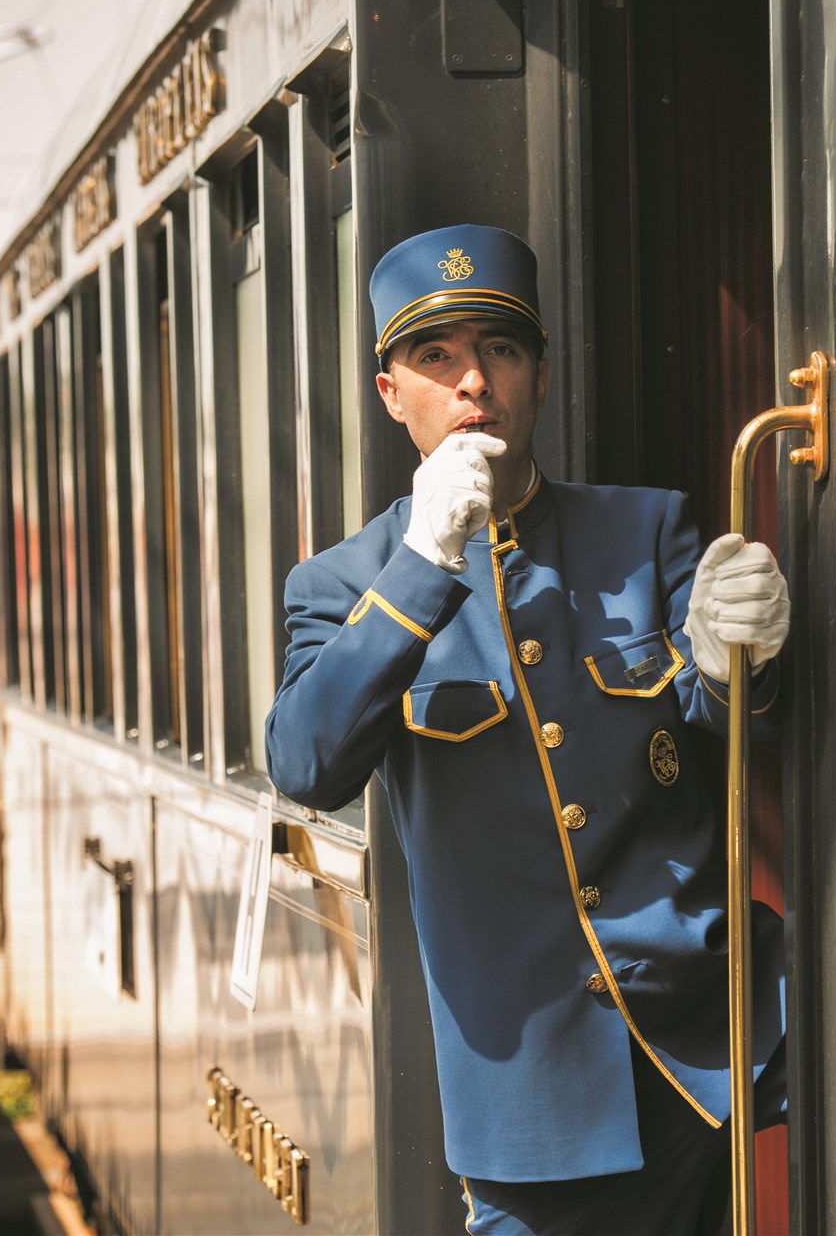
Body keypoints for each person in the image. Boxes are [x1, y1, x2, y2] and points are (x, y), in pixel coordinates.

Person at [265, 224, 791, 1235]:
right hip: (532, 1108)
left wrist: (746, 657)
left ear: (540, 377)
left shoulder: (649, 530)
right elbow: (308, 762)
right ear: (393, 395)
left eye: (499, 350)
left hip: (707, 1057)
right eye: (437, 357)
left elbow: (724, 727)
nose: (473, 382)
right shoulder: (342, 583)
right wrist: (424, 559)